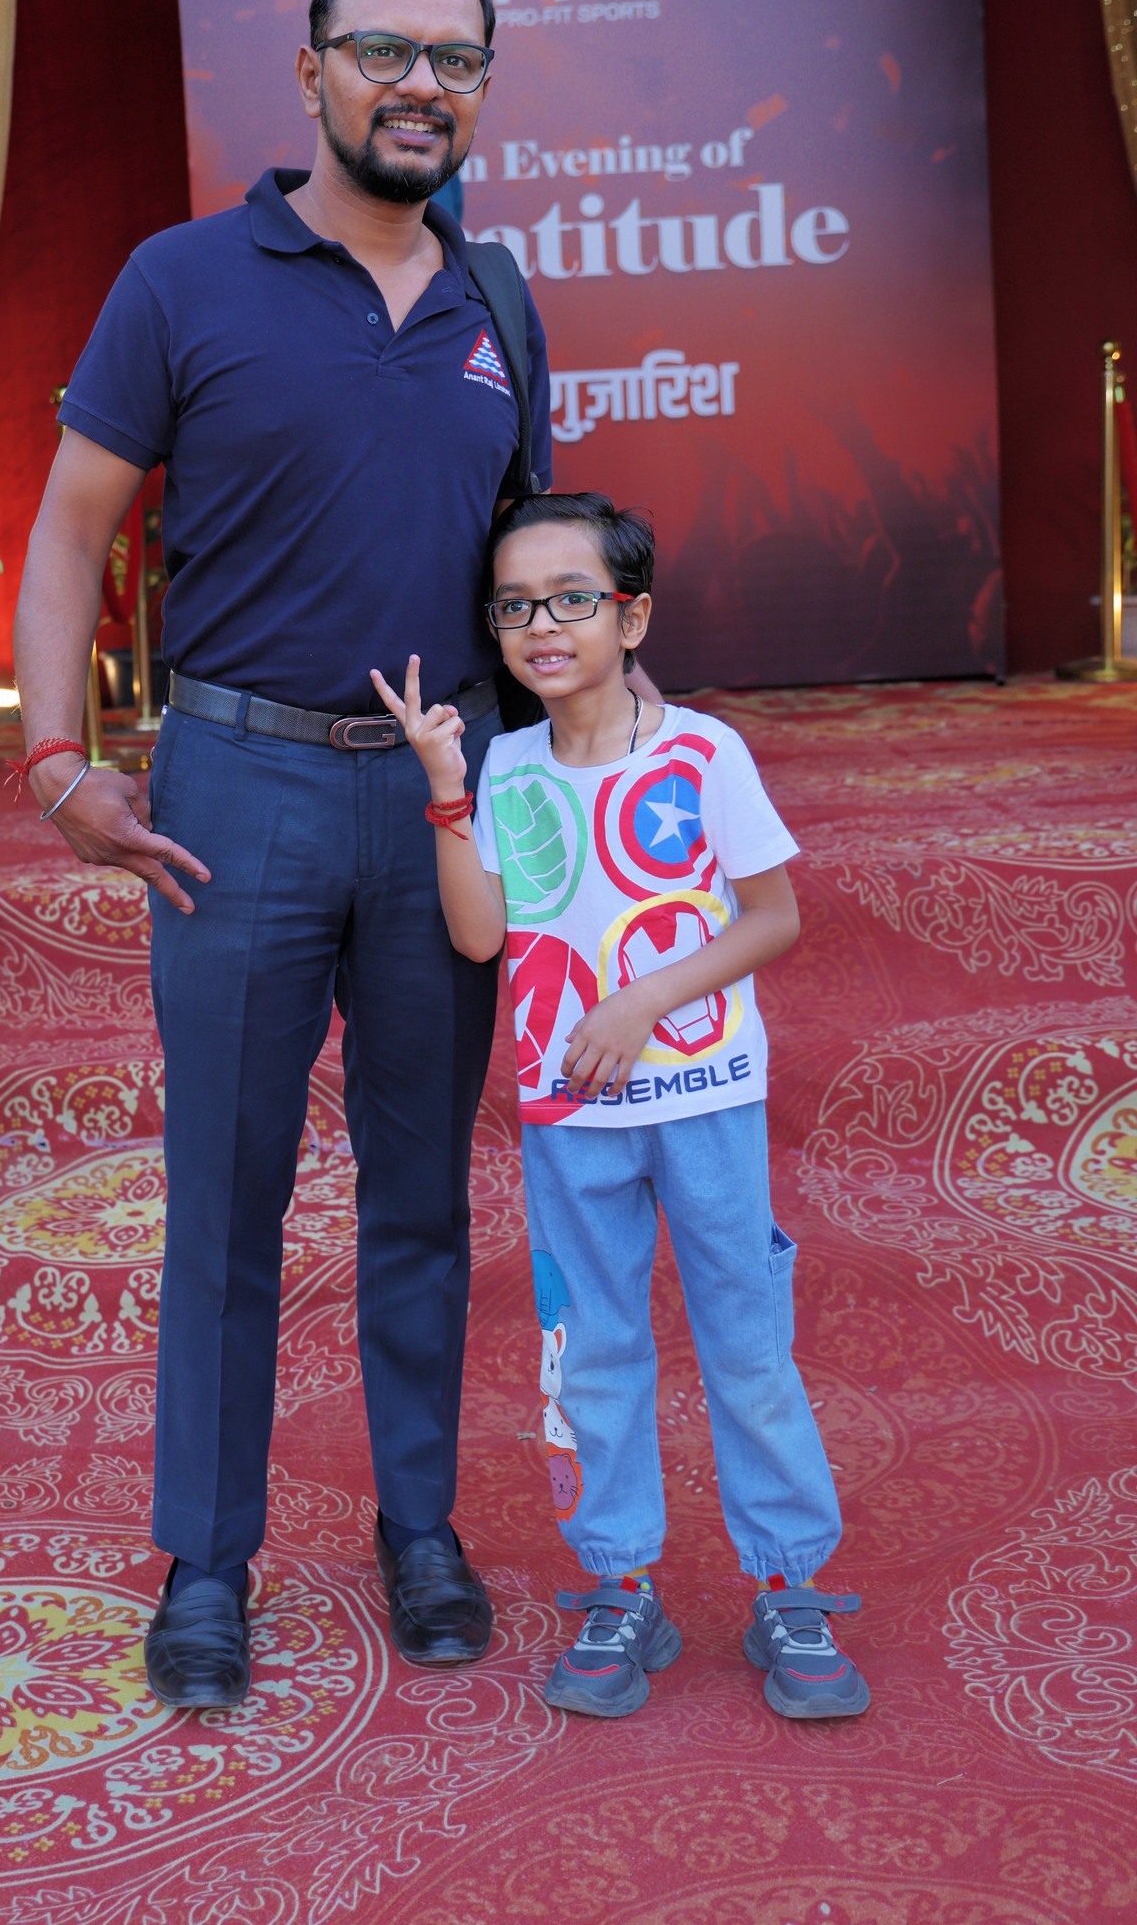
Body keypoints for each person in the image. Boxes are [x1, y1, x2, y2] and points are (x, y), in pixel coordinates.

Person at [13, 0, 555, 1707]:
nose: (421, 86)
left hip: (438, 793)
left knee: (422, 1189)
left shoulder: (501, 304)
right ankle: (208, 1559)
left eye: (455, 61)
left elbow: (528, 572)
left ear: (482, 92)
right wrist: (55, 762)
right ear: (313, 72)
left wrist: (563, 780)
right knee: (226, 1193)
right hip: (237, 790)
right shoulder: (182, 280)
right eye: (385, 50)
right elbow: (72, 527)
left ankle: (422, 1528)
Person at [371, 490, 871, 1722]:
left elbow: (772, 917)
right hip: (568, 1118)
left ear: (631, 617)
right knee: (589, 1353)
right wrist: (445, 790)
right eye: (514, 608)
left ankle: (788, 1586)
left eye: (572, 600)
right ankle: (621, 1584)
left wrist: (644, 999)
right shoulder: (507, 766)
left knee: (745, 1345)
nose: (542, 626)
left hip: (703, 1097)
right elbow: (479, 935)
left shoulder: (700, 754)